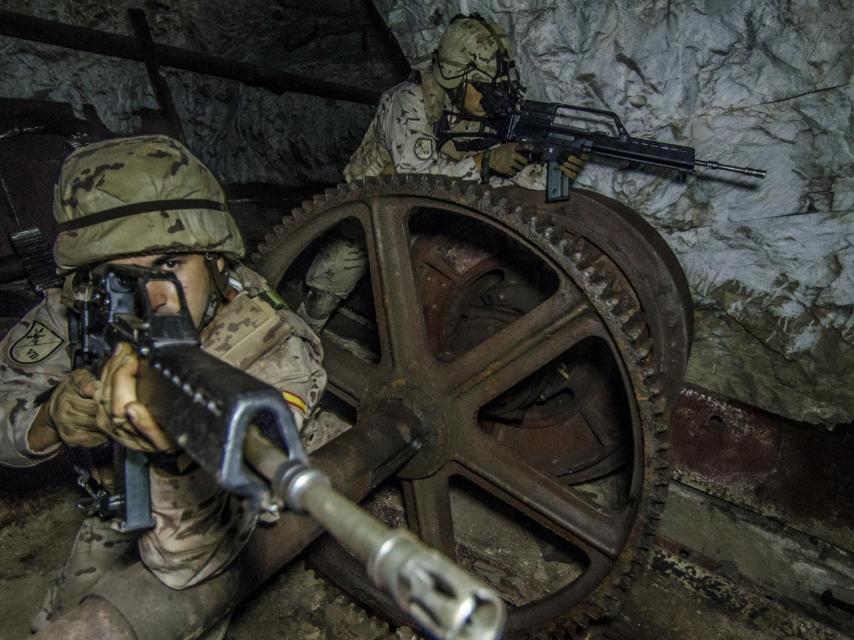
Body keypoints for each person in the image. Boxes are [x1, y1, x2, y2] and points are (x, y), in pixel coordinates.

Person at [0, 135, 326, 631]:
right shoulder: (80, 307)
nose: (153, 299)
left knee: (179, 617)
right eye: (121, 278)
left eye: (170, 265)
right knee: (63, 619)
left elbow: (188, 566)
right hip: (113, 501)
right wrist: (49, 420)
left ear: (216, 260)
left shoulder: (270, 351)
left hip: (198, 524)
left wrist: (169, 459)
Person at [299, 14, 585, 331]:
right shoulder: (409, 101)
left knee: (416, 301)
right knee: (324, 294)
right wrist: (485, 163)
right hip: (371, 209)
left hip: (428, 217)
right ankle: (303, 332)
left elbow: (505, 178)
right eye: (483, 88)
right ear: (454, 76)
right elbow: (414, 178)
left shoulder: (482, 113)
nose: (491, 99)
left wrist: (553, 172)